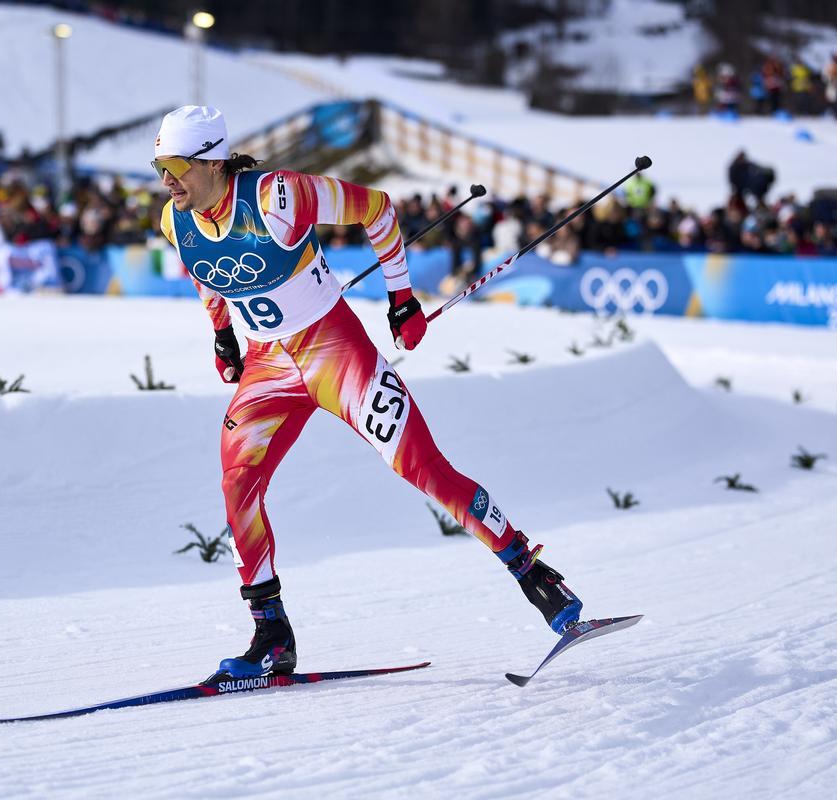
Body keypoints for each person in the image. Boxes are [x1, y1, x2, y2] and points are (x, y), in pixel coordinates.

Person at [153, 106, 582, 682]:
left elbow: (377, 209)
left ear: (211, 161)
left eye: (176, 165)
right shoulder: (174, 220)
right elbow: (208, 274)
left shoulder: (280, 196)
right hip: (267, 367)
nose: (167, 179)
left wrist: (401, 298)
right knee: (237, 484)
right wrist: (223, 335)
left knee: (420, 467)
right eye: (160, 166)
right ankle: (271, 636)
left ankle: (536, 577)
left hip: (334, 352)